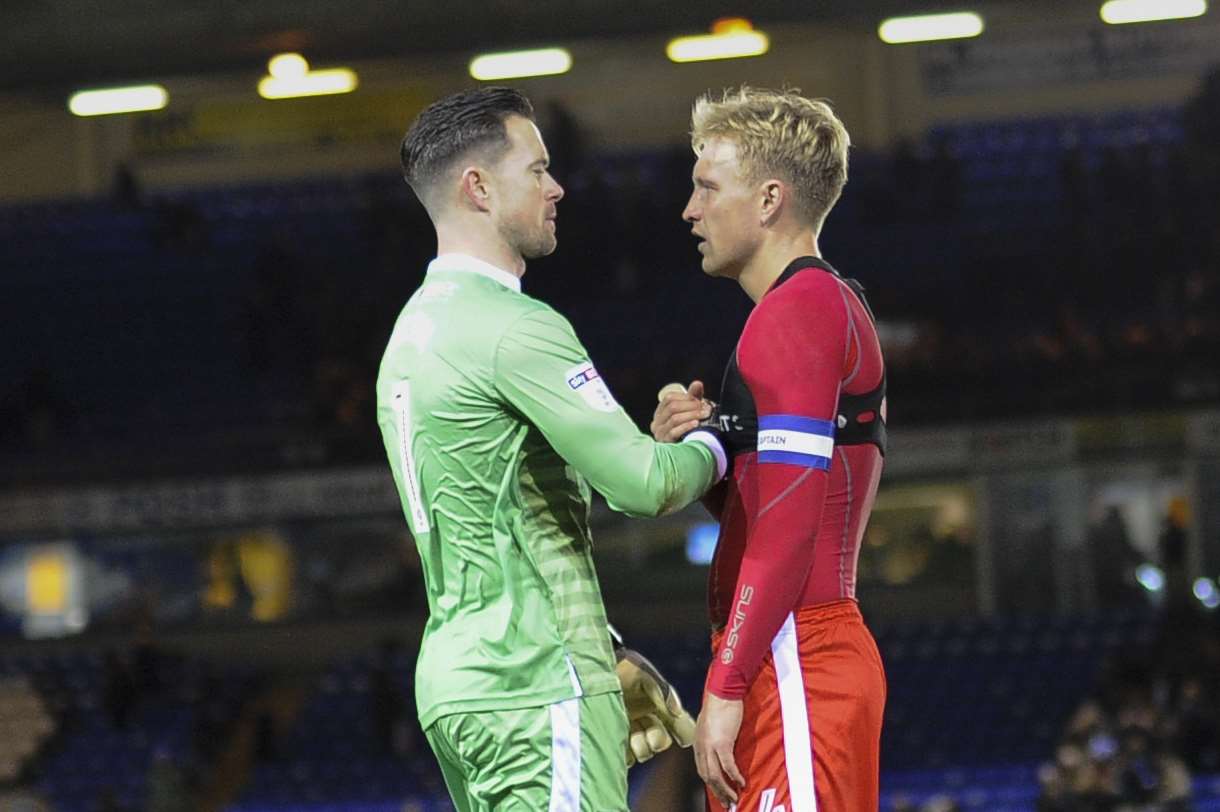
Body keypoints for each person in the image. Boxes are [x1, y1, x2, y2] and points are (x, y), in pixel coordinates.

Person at [377, 87, 725, 812]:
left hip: (459, 684)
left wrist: (643, 446)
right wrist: (717, 444)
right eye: (537, 170)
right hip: (536, 681)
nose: (557, 186)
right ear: (478, 187)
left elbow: (507, 492)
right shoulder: (515, 327)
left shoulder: (410, 336)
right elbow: (644, 486)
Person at [652, 87, 888, 811]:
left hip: (794, 654)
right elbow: (773, 505)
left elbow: (788, 527)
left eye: (706, 187)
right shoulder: (820, 305)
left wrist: (725, 683)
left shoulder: (796, 312)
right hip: (792, 650)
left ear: (768, 199)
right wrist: (707, 447)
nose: (689, 211)